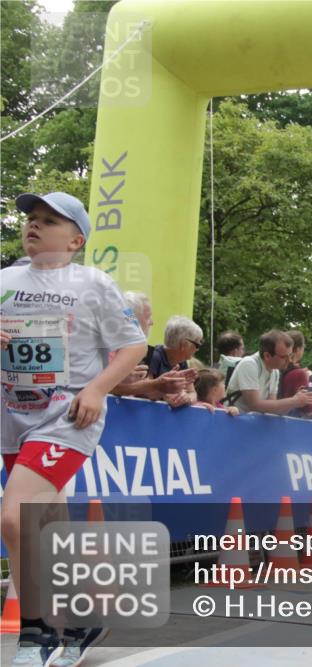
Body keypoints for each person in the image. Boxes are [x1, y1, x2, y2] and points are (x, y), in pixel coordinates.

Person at [1, 192, 148, 667]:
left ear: (75, 240)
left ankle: (38, 633)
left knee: (13, 519)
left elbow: (133, 346)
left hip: (66, 418)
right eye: (30, 219)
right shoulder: (3, 280)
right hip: (12, 420)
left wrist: (98, 391)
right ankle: (90, 615)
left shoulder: (93, 283)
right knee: (48, 530)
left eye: (48, 221)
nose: (34, 226)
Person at [111, 292, 196, 401]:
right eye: (148, 317)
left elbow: (141, 394)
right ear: (131, 319)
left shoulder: (139, 351)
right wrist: (158, 385)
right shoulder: (103, 348)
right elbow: (94, 388)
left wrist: (168, 389)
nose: (151, 323)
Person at [225, 329, 312, 415]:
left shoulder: (275, 371)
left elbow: (272, 409)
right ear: (267, 355)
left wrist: (296, 401)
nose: (289, 360)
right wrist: (294, 401)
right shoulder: (249, 364)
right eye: (284, 357)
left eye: (290, 355)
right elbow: (255, 405)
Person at [146, 315, 202, 406]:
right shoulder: (154, 356)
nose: (197, 349)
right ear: (183, 345)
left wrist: (186, 399)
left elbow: (193, 393)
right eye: (197, 345)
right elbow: (145, 391)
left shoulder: (182, 362)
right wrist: (165, 393)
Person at [278, 330, 310, 399]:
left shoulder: (274, 367)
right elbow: (308, 406)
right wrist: (305, 378)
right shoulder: (299, 373)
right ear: (298, 349)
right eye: (303, 346)